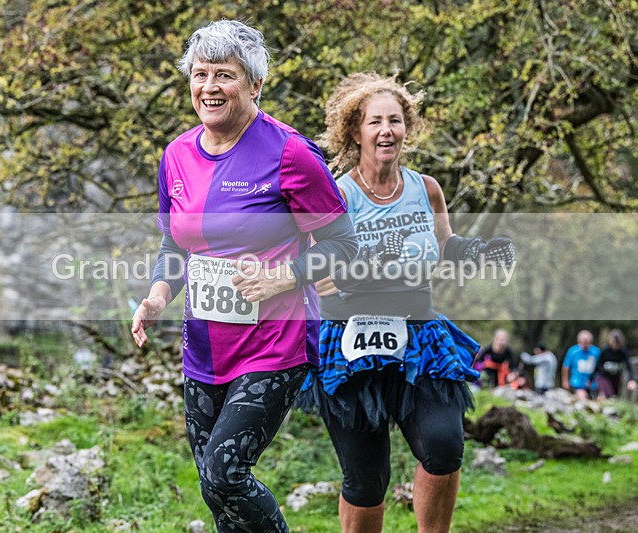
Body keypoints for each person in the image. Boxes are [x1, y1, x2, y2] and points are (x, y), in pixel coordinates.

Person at [130, 20, 357, 532]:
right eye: (200, 74)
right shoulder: (176, 155)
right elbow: (174, 245)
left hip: (275, 344)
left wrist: (285, 277)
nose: (209, 87)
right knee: (216, 494)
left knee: (225, 474)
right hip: (204, 347)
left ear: (255, 85)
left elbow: (344, 244)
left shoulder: (290, 153)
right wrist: (158, 296)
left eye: (224, 75)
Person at [299, 73, 515, 533]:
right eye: (375, 121)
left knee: (444, 446)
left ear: (407, 128)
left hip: (418, 336)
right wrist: (368, 269)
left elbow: (445, 244)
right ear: (355, 130)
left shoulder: (426, 188)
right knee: (366, 479)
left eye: (395, 121)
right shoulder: (337, 194)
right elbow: (320, 272)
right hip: (351, 344)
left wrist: (481, 251)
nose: (386, 131)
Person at [594, 329, 637, 399]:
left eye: (617, 344)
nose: (615, 346)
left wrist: (631, 379)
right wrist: (592, 378)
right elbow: (597, 365)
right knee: (608, 394)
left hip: (616, 377)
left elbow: (628, 366)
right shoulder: (605, 350)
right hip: (604, 376)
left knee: (615, 396)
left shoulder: (623, 351)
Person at [561, 330, 600, 400]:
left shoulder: (596, 352)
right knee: (582, 396)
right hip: (576, 382)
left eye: (587, 342)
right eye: (583, 342)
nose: (585, 345)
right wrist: (565, 381)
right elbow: (566, 366)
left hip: (592, 384)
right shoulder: (573, 351)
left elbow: (599, 367)